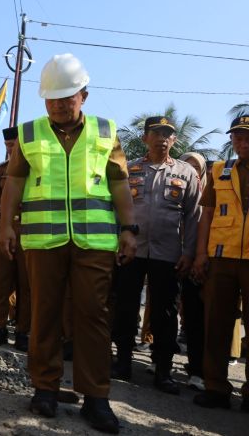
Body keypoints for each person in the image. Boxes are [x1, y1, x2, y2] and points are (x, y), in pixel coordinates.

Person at [0, 54, 136, 434]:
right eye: (52, 98)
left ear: (84, 96)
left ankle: (96, 397)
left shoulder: (106, 132)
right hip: (43, 240)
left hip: (94, 241)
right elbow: (14, 183)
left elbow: (119, 184)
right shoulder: (28, 133)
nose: (59, 105)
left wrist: (129, 229)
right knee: (44, 313)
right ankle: (45, 388)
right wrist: (7, 226)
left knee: (93, 315)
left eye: (67, 97)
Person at [110, 117, 201, 394]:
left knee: (165, 313)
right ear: (145, 138)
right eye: (156, 133)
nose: (162, 138)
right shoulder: (129, 169)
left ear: (174, 140)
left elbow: (194, 216)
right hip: (132, 250)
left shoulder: (187, 173)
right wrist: (116, 243)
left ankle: (163, 370)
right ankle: (123, 362)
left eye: (168, 134)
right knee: (125, 307)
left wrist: (189, 253)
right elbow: (115, 209)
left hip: (168, 253)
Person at [191, 115, 249, 412]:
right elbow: (207, 215)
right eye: (237, 137)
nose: (242, 142)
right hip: (221, 258)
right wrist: (201, 253)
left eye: (247, 137)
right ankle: (216, 388)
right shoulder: (219, 170)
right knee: (216, 325)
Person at [0, 126, 30, 351]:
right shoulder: (1, 171)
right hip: (3, 227)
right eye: (8, 146)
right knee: (0, 281)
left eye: (14, 145)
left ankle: (22, 332)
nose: (11, 149)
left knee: (26, 283)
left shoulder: (34, 168)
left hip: (28, 228)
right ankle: (0, 328)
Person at [178, 150, 207, 391]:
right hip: (172, 256)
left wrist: (198, 255)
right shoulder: (177, 189)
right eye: (186, 166)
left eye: (196, 167)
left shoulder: (212, 190)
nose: (191, 171)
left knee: (197, 316)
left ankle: (198, 370)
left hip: (200, 261)